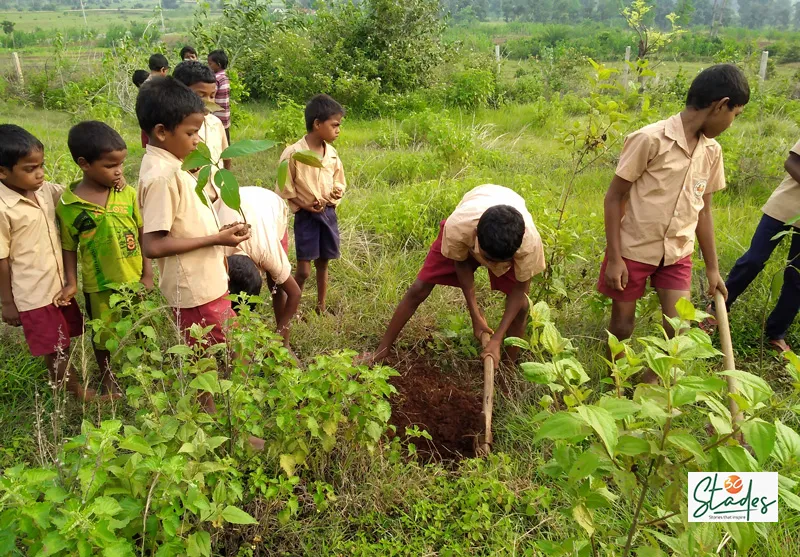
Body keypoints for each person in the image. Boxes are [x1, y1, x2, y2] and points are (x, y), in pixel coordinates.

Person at [599, 64, 750, 382]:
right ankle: (616, 380)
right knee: (623, 325)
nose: (731, 123)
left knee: (678, 327)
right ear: (720, 105)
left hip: (678, 252)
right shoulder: (649, 140)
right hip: (634, 250)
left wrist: (712, 268)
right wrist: (614, 258)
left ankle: (651, 385)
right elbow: (615, 198)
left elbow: (704, 212)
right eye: (735, 114)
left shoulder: (712, 152)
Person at [362, 184, 546, 367]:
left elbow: (521, 289)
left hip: (505, 221)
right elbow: (461, 262)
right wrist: (475, 314)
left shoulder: (529, 244)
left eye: (501, 262)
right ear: (475, 235)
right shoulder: (458, 227)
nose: (493, 266)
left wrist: (496, 338)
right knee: (419, 288)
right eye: (489, 259)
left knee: (521, 308)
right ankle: (381, 351)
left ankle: (508, 366)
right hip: (471, 217)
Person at [135, 76, 249, 350]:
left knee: (205, 357)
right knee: (238, 349)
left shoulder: (174, 166)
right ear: (162, 132)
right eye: (190, 133)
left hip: (205, 283)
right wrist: (215, 240)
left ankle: (211, 395)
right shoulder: (163, 177)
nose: (198, 141)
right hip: (196, 292)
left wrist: (217, 232)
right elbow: (153, 244)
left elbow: (181, 222)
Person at [53, 121, 154, 399]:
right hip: (99, 285)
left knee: (144, 326)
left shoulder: (127, 193)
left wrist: (147, 273)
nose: (119, 171)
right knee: (103, 336)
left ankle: (148, 367)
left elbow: (142, 230)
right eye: (110, 166)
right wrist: (71, 282)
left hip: (134, 279)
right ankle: (107, 375)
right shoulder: (69, 206)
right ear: (84, 164)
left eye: (121, 164)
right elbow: (68, 247)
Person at [0, 124, 94, 401]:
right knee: (56, 347)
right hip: (33, 292)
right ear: (3, 172)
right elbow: (2, 259)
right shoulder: (4, 208)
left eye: (41, 165)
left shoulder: (42, 191)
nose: (39, 173)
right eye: (30, 169)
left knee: (63, 339)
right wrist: (7, 302)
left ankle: (67, 385)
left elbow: (72, 193)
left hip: (57, 286)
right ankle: (75, 393)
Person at [717, 141, 800, 352]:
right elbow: (791, 162)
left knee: (797, 276)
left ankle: (776, 332)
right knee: (755, 259)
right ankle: (719, 308)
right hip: (784, 206)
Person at [277, 94, 346, 315]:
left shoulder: (332, 154)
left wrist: (335, 192)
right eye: (334, 125)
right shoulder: (294, 153)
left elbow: (339, 181)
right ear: (317, 124)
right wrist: (305, 206)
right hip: (306, 217)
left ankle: (321, 306)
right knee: (304, 269)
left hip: (328, 214)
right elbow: (285, 190)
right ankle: (292, 306)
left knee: (324, 262)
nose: (338, 130)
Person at [218, 187, 301, 349]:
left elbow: (295, 293)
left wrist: (277, 335)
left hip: (269, 203)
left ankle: (284, 345)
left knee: (277, 283)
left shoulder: (267, 252)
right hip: (233, 200)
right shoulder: (216, 252)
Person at [172, 60, 230, 185]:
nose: (208, 102)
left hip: (218, 194)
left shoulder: (216, 123)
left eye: (212, 95)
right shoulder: (172, 130)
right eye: (201, 95)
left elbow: (226, 157)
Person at [207, 49, 231, 144]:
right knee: (225, 141)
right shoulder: (225, 77)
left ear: (219, 64)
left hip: (217, 117)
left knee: (217, 142)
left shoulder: (216, 79)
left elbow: (211, 96)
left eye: (210, 64)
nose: (209, 66)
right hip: (225, 116)